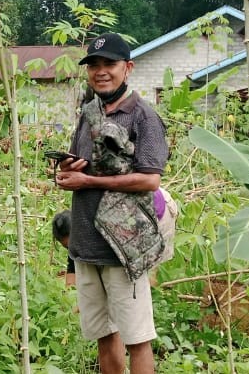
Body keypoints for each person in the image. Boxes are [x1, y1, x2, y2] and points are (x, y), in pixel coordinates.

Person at [55, 32, 169, 374]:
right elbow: (80, 164)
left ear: (128, 68)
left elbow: (149, 179)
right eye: (94, 65)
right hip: (86, 243)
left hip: (124, 247)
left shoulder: (143, 117)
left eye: (110, 64)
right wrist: (68, 169)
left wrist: (89, 181)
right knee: (104, 336)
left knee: (137, 339)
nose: (101, 71)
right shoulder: (88, 113)